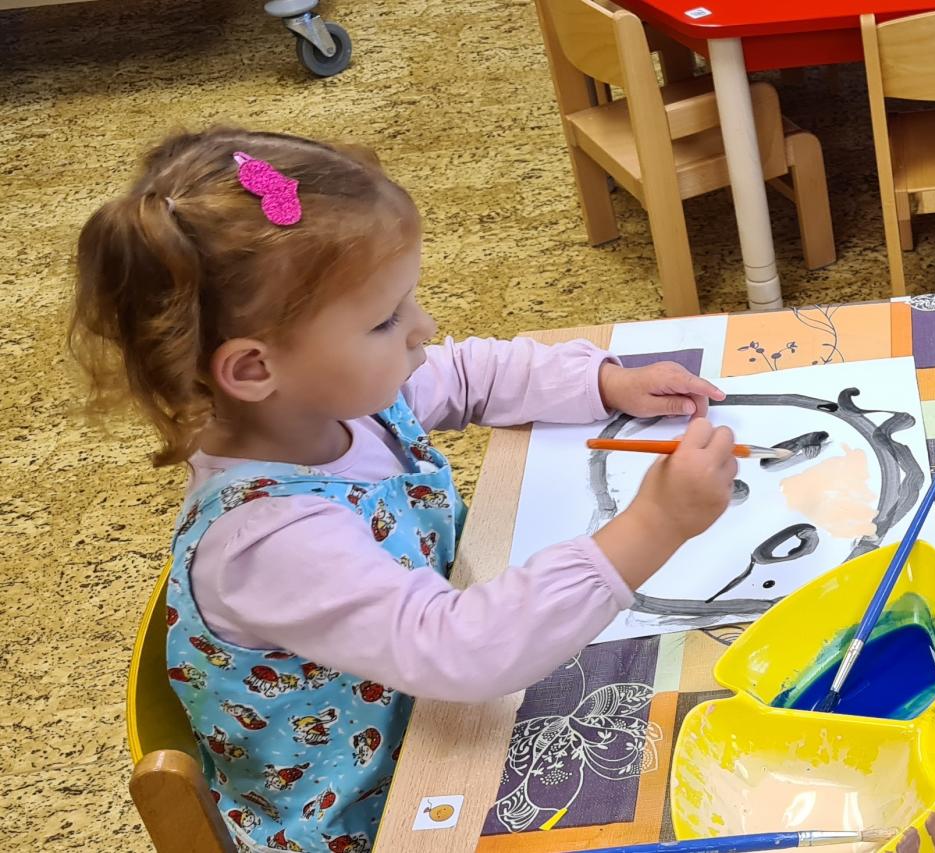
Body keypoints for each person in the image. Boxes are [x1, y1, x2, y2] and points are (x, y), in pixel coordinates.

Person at [68, 127, 738, 852]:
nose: (424, 328)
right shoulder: (269, 542)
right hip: (375, 812)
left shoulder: (332, 402)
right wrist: (657, 522)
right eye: (386, 320)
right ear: (255, 369)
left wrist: (604, 381)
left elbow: (471, 373)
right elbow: (461, 650)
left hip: (433, 714)